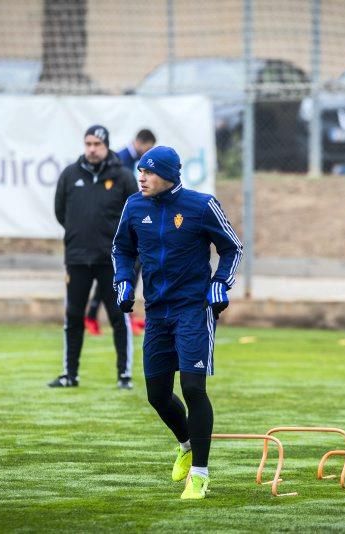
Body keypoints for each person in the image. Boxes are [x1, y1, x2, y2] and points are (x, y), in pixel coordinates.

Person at [111, 145, 243, 500]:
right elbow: (121, 249)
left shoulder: (201, 205)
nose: (142, 177)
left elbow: (232, 247)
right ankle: (186, 444)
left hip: (193, 310)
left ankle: (199, 473)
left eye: (149, 172)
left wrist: (220, 283)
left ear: (169, 175)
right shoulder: (134, 206)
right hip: (156, 312)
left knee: (193, 389)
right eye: (140, 170)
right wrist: (123, 280)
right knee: (157, 395)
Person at [48, 124, 138, 390]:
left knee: (118, 316)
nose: (92, 149)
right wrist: (79, 235)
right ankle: (69, 374)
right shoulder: (70, 175)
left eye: (97, 144)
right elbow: (60, 212)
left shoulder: (123, 177)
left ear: (106, 146)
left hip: (112, 260)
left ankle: (124, 376)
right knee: (73, 316)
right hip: (77, 258)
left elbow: (133, 215)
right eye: (88, 144)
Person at [84, 129, 156, 337]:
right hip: (119, 228)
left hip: (127, 226)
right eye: (148, 149)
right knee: (120, 270)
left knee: (125, 270)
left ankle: (118, 315)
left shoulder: (131, 162)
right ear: (141, 143)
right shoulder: (122, 161)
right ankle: (95, 315)